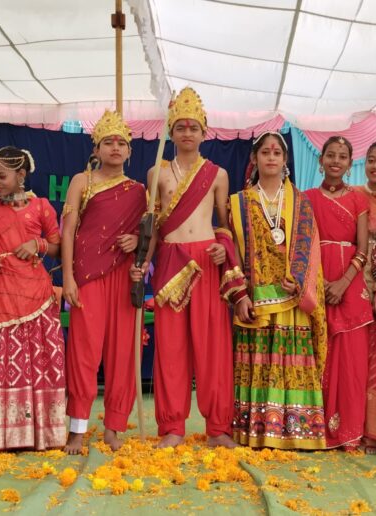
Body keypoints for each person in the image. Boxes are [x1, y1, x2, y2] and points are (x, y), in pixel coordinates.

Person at [132, 87, 246, 448]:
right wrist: (143, 264)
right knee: (171, 348)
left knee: (213, 347)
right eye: (180, 127)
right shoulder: (157, 173)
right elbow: (152, 229)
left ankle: (218, 428)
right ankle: (173, 427)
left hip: (206, 263)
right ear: (171, 131)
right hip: (170, 262)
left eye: (193, 127)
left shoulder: (217, 174)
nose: (187, 133)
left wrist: (223, 248)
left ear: (204, 132)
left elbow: (226, 226)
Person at [230, 131, 327, 450]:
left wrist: (299, 279)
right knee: (260, 361)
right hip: (255, 300)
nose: (271, 157)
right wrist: (239, 293)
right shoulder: (239, 202)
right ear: (254, 158)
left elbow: (311, 248)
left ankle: (297, 431)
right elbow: (232, 251)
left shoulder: (301, 202)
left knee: (290, 363)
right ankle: (258, 430)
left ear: (285, 160)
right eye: (265, 152)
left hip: (291, 300)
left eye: (277, 153)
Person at [62, 110, 147, 454]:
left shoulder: (139, 190)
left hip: (123, 276)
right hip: (88, 276)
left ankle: (114, 427)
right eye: (108, 142)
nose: (115, 148)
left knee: (122, 353)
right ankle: (77, 429)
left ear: (129, 151)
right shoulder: (82, 181)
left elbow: (149, 238)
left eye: (121, 143)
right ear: (96, 149)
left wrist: (137, 243)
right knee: (83, 352)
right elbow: (68, 230)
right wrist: (68, 277)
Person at [0, 146, 65, 451]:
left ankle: (38, 434)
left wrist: (37, 244)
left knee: (34, 362)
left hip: (33, 297)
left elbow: (58, 248)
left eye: (1, 176)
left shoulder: (41, 207)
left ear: (21, 175)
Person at [306, 136, 373, 450]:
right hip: (316, 282)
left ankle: (349, 433)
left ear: (349, 163)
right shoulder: (306, 199)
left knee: (352, 361)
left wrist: (343, 283)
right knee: (319, 355)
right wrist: (319, 284)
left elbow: (362, 249)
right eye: (330, 155)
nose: (335, 161)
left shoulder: (358, 200)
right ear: (320, 160)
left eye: (342, 156)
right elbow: (302, 247)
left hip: (350, 284)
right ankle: (316, 429)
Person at [354, 142, 376, 454]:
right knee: (363, 356)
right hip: (359, 282)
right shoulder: (356, 196)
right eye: (371, 160)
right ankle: (362, 430)